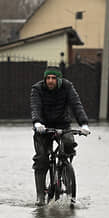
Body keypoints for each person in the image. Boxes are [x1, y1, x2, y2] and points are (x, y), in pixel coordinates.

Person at [30, 66, 91, 206]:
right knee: (41, 160)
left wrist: (84, 124)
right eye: (48, 78)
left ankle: (64, 169)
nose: (50, 81)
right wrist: (38, 122)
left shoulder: (67, 87)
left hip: (63, 125)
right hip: (43, 128)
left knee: (69, 144)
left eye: (53, 78)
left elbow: (76, 105)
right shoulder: (37, 89)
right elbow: (35, 106)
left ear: (59, 79)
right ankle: (40, 195)